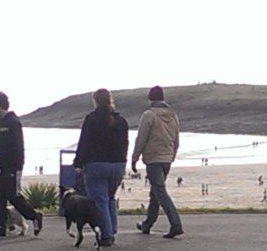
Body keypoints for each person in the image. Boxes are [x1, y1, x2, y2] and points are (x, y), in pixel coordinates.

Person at [73, 89, 129, 247]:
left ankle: (107, 234)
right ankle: (112, 229)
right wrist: (123, 162)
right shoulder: (121, 121)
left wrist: (78, 163)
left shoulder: (91, 119)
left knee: (100, 200)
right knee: (110, 198)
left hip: (96, 164)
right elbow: (125, 144)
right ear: (110, 100)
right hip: (117, 164)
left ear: (95, 101)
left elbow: (84, 143)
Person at [0, 92, 43, 238]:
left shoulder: (12, 121)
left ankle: (34, 216)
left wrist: (1, 156)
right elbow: (0, 142)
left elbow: (15, 145)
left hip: (13, 165)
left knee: (13, 195)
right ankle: (0, 226)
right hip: (0, 166)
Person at [132, 86, 184, 239]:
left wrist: (134, 158)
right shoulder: (173, 116)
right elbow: (177, 139)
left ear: (150, 98)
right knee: (155, 192)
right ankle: (147, 224)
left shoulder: (149, 115)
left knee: (160, 191)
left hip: (153, 158)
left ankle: (176, 225)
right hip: (166, 157)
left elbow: (141, 138)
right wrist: (172, 155)